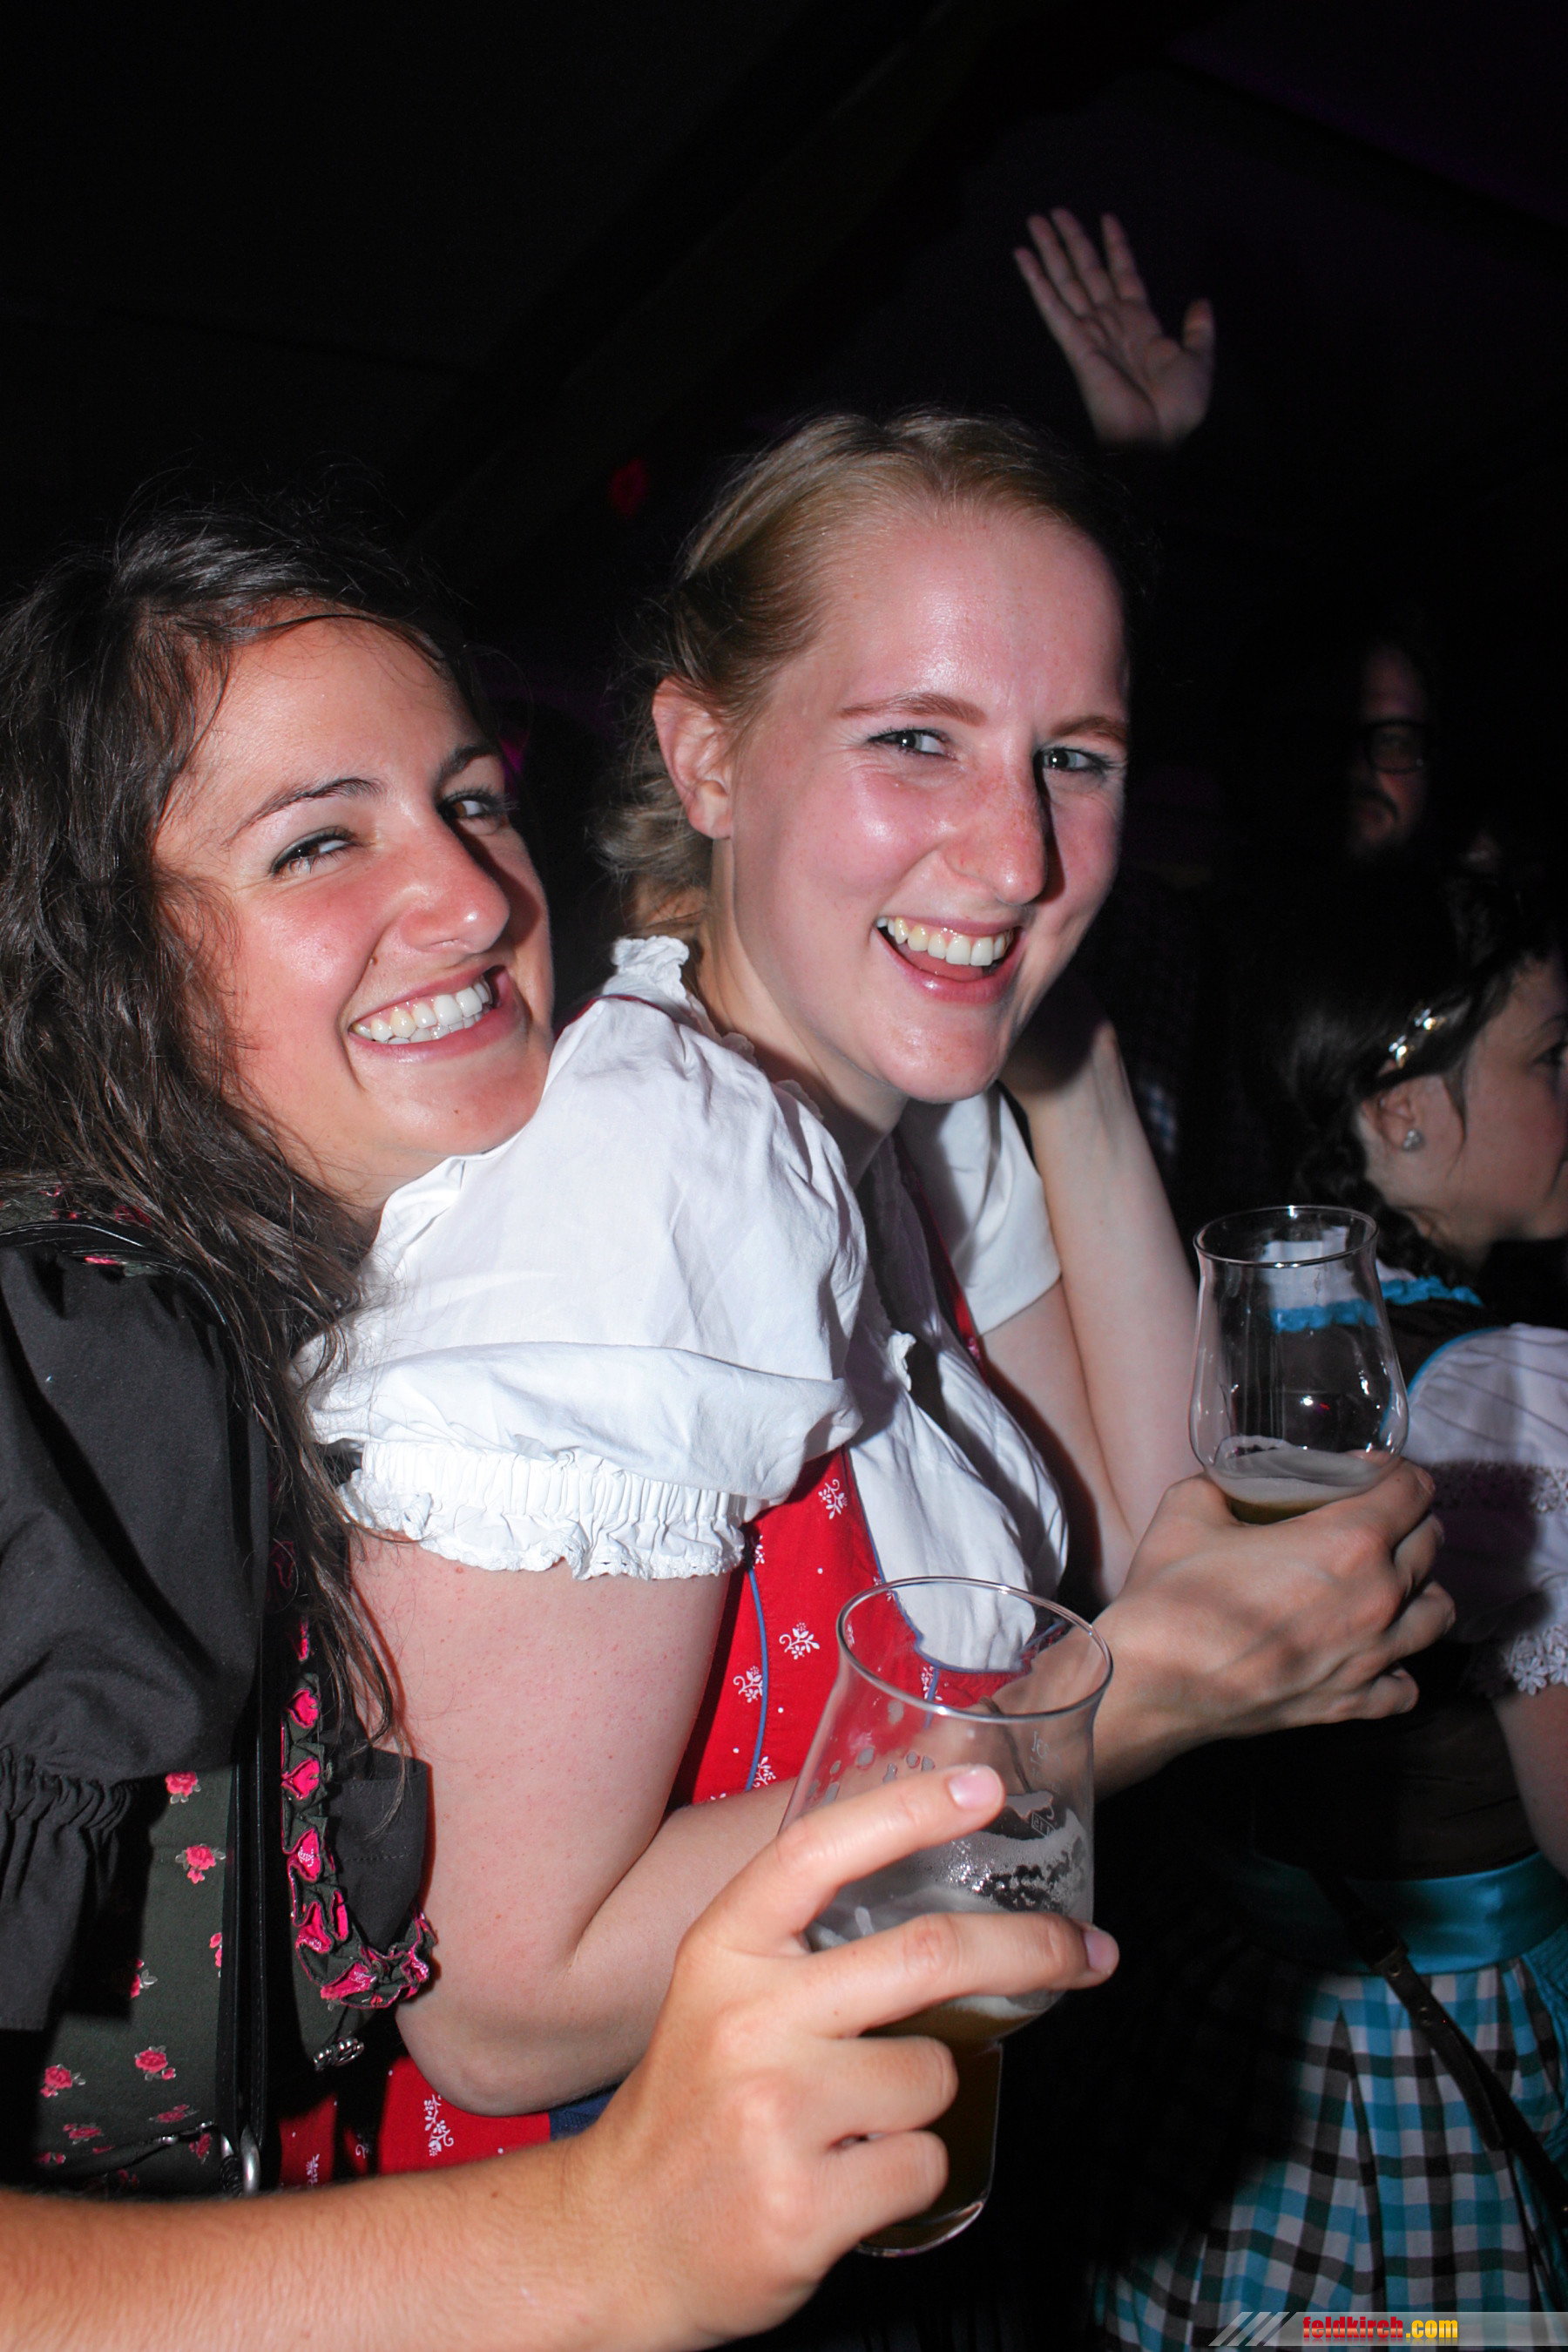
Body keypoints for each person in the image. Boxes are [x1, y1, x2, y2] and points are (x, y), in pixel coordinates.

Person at [0, 505, 1119, 2347]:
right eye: (319, 842)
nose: (474, 900)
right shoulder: (66, 1382)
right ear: (103, 954)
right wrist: (594, 2238)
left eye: (472, 804)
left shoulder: (286, 1320)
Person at [292, 413, 1449, 2156]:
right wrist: (1113, 1714)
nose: (1019, 852)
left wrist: (1061, 1055)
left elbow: (1161, 1535)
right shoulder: (655, 1169)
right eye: (918, 740)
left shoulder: (912, 1113)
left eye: (1076, 759)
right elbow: (504, 2007)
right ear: (708, 758)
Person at [1072, 862, 1568, 2338]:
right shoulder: (1524, 1398)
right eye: (1552, 1058)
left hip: (1241, 2004)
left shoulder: (1255, 1348)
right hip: (1435, 2040)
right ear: (1402, 1112)